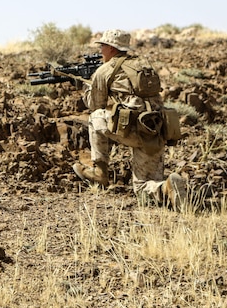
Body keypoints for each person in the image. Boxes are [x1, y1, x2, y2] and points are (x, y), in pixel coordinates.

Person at [72, 29, 188, 208]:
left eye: (103, 46)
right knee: (142, 188)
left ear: (111, 48)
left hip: (131, 130)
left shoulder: (105, 70)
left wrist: (88, 85)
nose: (101, 50)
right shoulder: (144, 65)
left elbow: (94, 104)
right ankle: (167, 188)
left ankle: (99, 173)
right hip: (155, 130)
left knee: (95, 118)